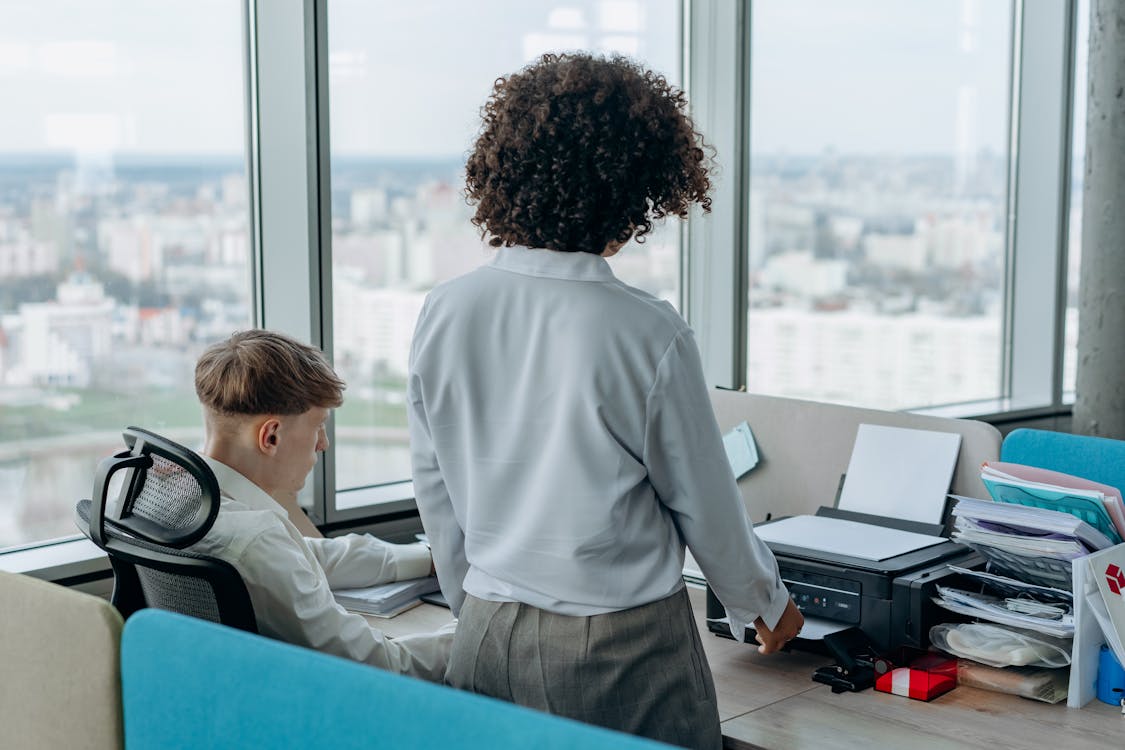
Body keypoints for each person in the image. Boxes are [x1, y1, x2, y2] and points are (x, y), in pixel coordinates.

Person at [407, 53, 803, 748]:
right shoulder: (643, 330)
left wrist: (473, 602)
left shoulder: (446, 309)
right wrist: (762, 604)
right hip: (617, 652)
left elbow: (434, 486)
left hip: (482, 633)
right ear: (630, 194)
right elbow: (703, 500)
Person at [190, 328, 451, 681]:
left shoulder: (181, 497)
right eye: (318, 427)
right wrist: (475, 640)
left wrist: (429, 559)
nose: (323, 444)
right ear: (271, 436)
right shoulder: (254, 542)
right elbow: (380, 667)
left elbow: (310, 556)